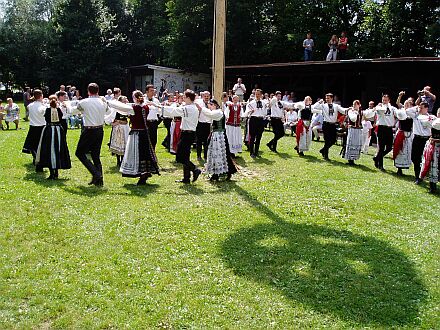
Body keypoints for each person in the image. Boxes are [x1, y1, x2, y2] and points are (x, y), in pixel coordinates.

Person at [113, 91, 160, 185]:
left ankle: (142, 175)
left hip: (136, 133)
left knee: (137, 154)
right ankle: (145, 173)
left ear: (135, 98)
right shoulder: (145, 107)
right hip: (145, 133)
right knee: (145, 154)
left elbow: (121, 108)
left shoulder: (134, 108)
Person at [72, 83, 110, 186]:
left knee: (79, 153)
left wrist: (66, 106)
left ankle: (96, 173)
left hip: (89, 130)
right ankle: (99, 180)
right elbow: (108, 112)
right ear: (98, 91)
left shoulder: (84, 102)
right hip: (100, 130)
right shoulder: (103, 102)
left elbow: (73, 111)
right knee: (95, 155)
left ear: (88, 91)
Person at [161, 89, 202, 183]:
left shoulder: (189, 108)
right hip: (188, 133)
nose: (183, 98)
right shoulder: (191, 107)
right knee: (185, 156)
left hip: (187, 134)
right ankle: (186, 178)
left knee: (180, 156)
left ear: (188, 98)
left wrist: (159, 107)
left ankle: (195, 169)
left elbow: (175, 111)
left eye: (184, 96)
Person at [198, 99, 238, 181]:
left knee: (220, 154)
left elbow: (210, 114)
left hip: (220, 136)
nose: (210, 107)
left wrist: (201, 108)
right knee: (214, 154)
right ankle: (216, 173)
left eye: (211, 105)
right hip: (215, 135)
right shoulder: (215, 113)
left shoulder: (218, 112)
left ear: (215, 105)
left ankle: (225, 172)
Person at [35, 95, 71, 179]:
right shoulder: (59, 109)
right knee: (58, 149)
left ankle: (52, 173)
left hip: (49, 130)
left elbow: (42, 113)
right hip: (58, 130)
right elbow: (62, 117)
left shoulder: (47, 109)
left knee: (49, 150)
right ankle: (56, 172)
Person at [406, 101, 437, 183]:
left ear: (427, 108)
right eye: (419, 107)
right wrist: (416, 107)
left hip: (426, 139)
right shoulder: (416, 116)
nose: (420, 109)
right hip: (417, 139)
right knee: (414, 157)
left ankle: (421, 177)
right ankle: (418, 176)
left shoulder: (431, 117)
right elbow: (407, 111)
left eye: (422, 108)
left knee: (426, 158)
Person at [313, 93, 349, 160]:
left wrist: (349, 109)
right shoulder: (323, 105)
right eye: (326, 98)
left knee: (333, 140)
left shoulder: (336, 106)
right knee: (327, 140)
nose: (327, 99)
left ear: (332, 98)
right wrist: (319, 102)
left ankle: (323, 150)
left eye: (328, 98)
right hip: (326, 124)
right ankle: (325, 156)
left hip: (333, 125)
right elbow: (314, 107)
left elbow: (343, 110)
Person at [22, 89, 46, 172]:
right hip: (41, 127)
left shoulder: (30, 105)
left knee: (33, 145)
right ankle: (38, 159)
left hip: (33, 127)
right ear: (41, 96)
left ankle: (35, 158)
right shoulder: (43, 107)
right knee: (40, 145)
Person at [372, 94, 397, 171]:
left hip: (389, 129)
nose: (384, 101)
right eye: (383, 100)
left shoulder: (392, 108)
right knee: (381, 147)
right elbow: (374, 112)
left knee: (389, 147)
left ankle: (377, 158)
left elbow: (398, 114)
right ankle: (380, 165)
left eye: (386, 100)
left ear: (389, 100)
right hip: (381, 128)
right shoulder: (379, 107)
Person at [243, 89, 268, 158]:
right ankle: (251, 152)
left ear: (261, 95)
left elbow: (265, 113)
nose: (257, 95)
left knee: (259, 137)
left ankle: (256, 152)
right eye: (256, 94)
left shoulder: (263, 103)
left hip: (260, 120)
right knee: (252, 137)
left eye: (258, 94)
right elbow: (247, 112)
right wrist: (251, 111)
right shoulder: (251, 103)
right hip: (253, 120)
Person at [107, 95, 130, 167]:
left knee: (125, 143)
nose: (125, 102)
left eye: (125, 101)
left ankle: (123, 160)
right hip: (118, 128)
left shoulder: (126, 109)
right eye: (123, 101)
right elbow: (109, 118)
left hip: (125, 127)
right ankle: (118, 161)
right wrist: (114, 123)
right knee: (118, 143)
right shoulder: (115, 109)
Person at [419, 118, 440, 193]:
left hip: (435, 146)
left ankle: (433, 186)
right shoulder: (434, 121)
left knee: (433, 165)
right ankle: (432, 186)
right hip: (433, 147)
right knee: (431, 165)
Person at [393, 104, 414, 175]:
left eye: (409, 105)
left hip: (409, 134)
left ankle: (405, 166)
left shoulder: (412, 114)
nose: (408, 106)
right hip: (401, 134)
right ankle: (399, 169)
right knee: (400, 150)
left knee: (407, 151)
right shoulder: (401, 113)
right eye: (406, 104)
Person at [343, 100, 364, 165]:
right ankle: (350, 159)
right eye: (353, 104)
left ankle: (353, 159)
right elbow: (353, 119)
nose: (354, 106)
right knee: (351, 143)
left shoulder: (361, 112)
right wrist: (355, 112)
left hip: (358, 130)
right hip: (352, 129)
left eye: (356, 104)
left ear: (359, 105)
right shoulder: (351, 111)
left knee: (356, 144)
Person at [195, 91, 212, 161]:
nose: (206, 97)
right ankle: (198, 155)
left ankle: (205, 156)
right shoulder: (199, 102)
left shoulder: (211, 103)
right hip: (200, 123)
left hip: (208, 124)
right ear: (202, 96)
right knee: (199, 141)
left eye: (208, 96)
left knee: (206, 141)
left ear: (210, 96)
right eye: (205, 96)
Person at [144, 84, 161, 150]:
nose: (153, 92)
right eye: (151, 91)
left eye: (153, 91)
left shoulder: (156, 101)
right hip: (146, 122)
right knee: (146, 140)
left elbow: (160, 111)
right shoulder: (143, 100)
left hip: (154, 123)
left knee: (154, 140)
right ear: (147, 92)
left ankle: (152, 156)